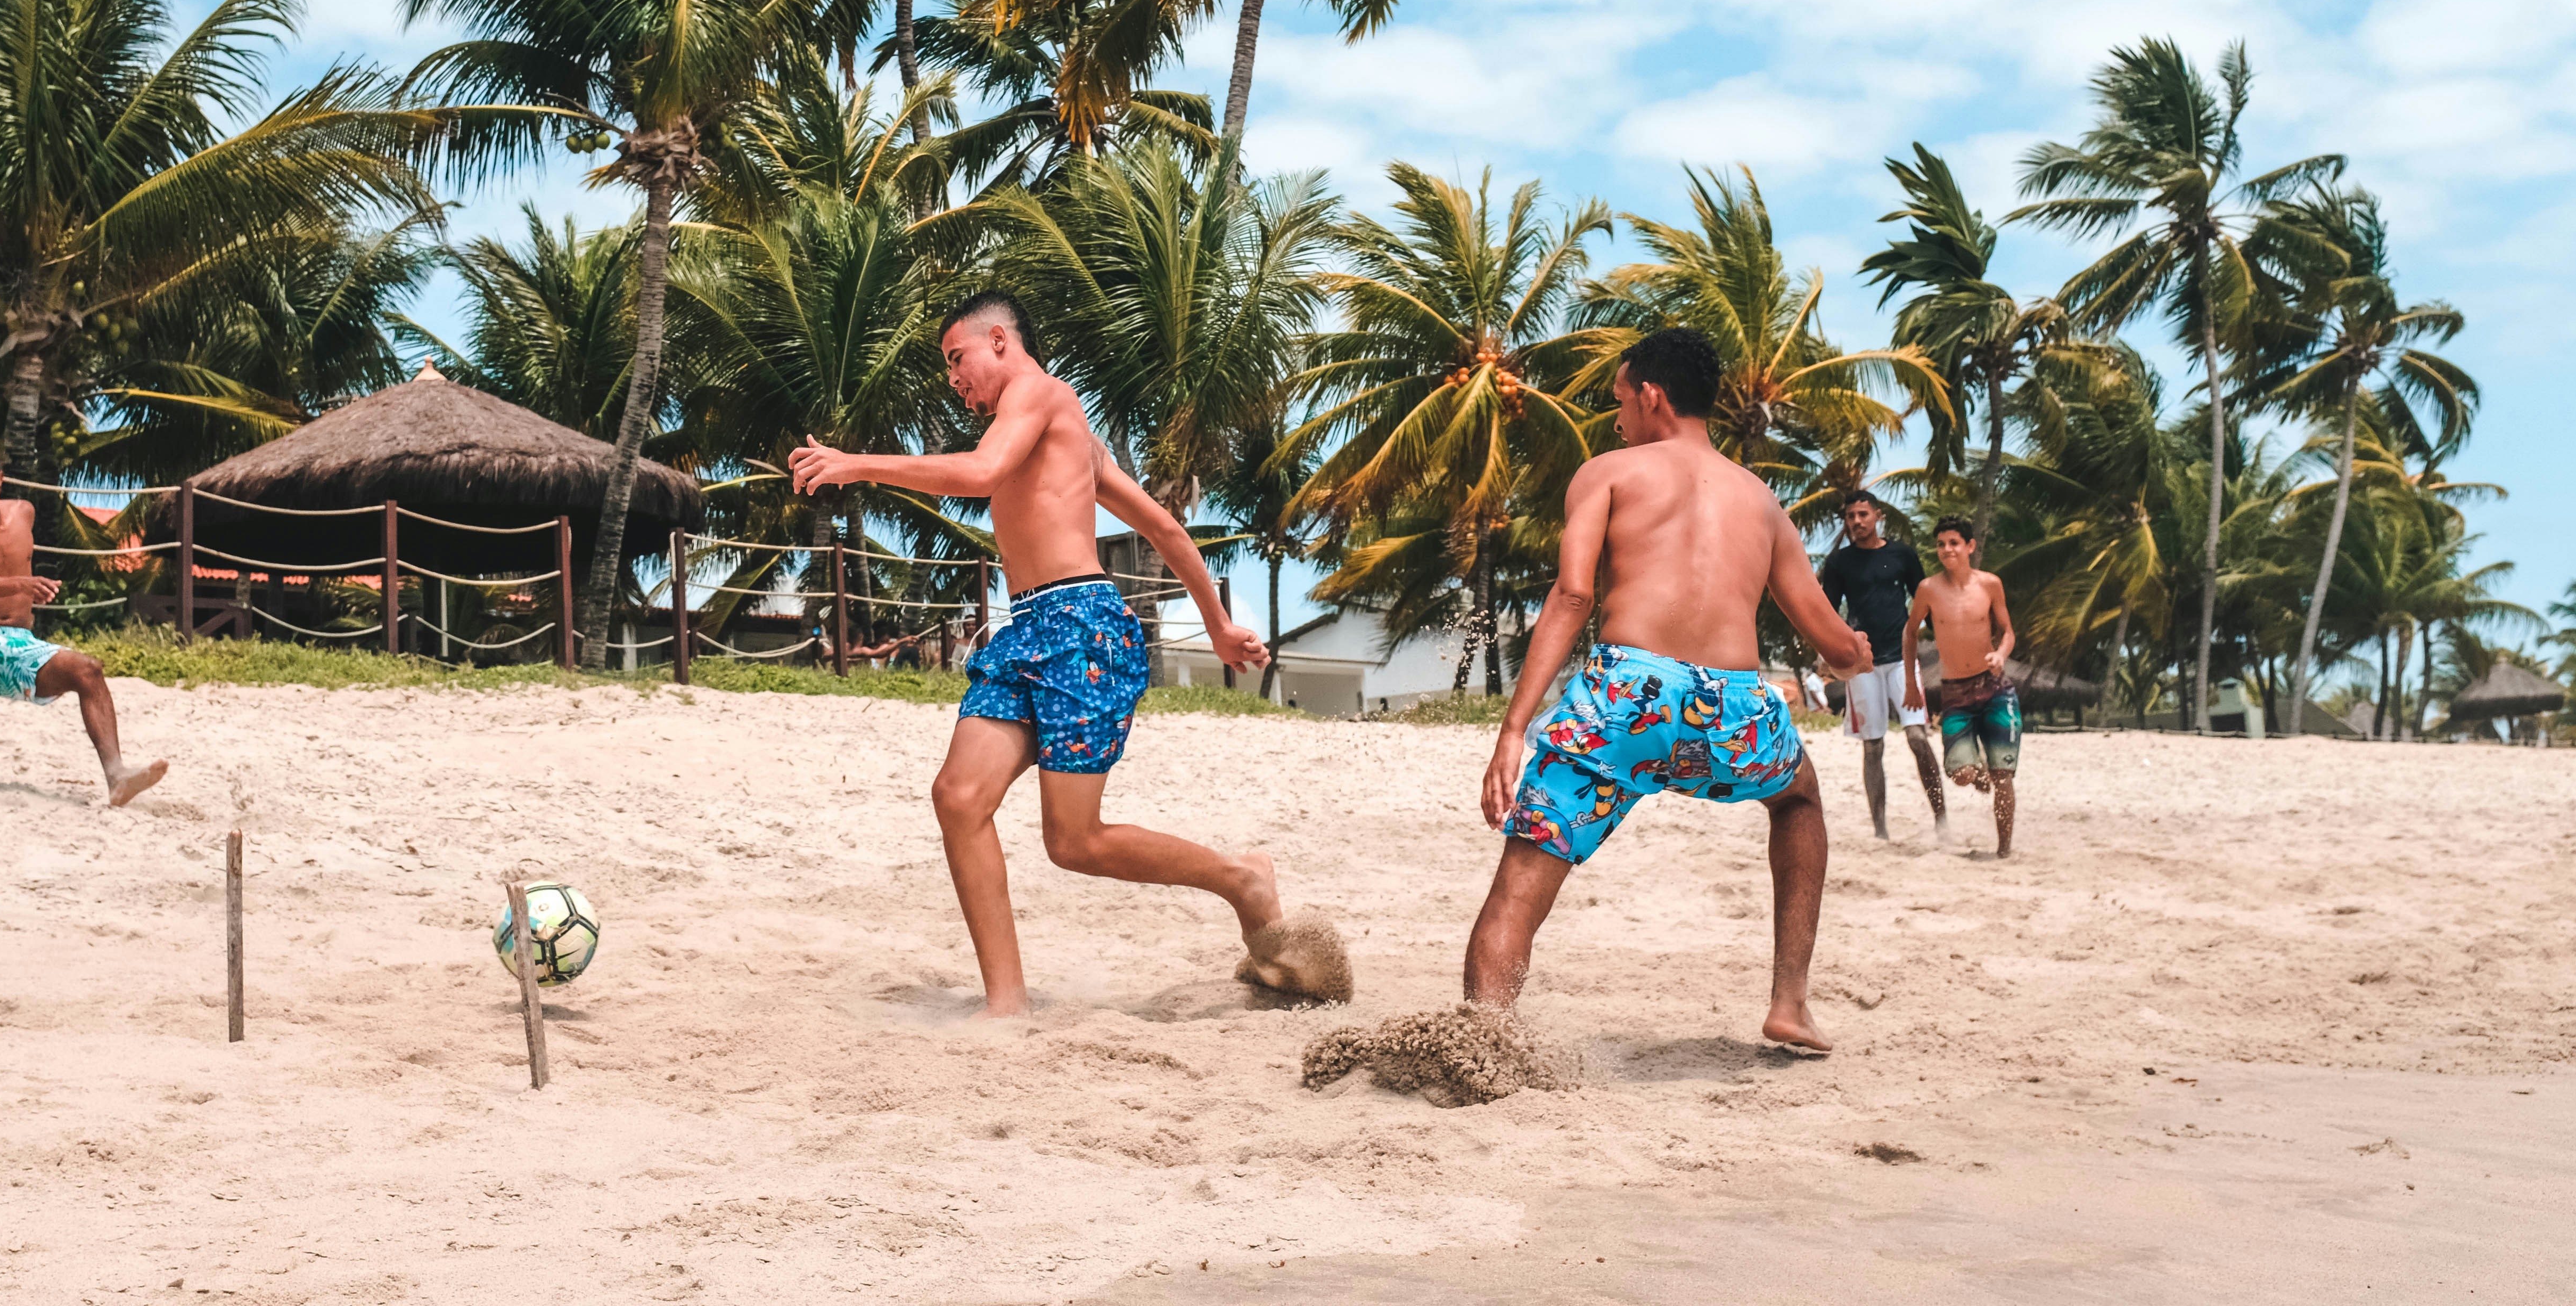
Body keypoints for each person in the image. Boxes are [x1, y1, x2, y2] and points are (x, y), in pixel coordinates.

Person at [789, 292, 1336, 1016]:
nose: (953, 378)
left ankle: (1243, 879)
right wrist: (1218, 626)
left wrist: (858, 465)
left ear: (999, 340)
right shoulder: (1064, 430)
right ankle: (1007, 1005)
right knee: (958, 798)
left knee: (1074, 842)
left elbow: (983, 474)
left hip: (1083, 630)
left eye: (958, 360)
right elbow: (1168, 531)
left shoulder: (1042, 394)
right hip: (1027, 633)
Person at [1464, 326, 1872, 1051]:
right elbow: (1836, 648)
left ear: (1652, 395)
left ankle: (1482, 1044)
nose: (1617, 418)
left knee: (1520, 886)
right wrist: (1857, 654)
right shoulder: (1764, 503)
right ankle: (1789, 1003)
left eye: (1619, 401)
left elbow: (1571, 596)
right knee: (1799, 797)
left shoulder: (1610, 473)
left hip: (1627, 696)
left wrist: (1514, 727)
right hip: (1734, 710)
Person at [0, 445, 167, 806]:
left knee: (89, 670)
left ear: (1, 476)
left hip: (23, 642)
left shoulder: (24, 512)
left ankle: (118, 776)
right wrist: (22, 584)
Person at [1822, 490, 1946, 843]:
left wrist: (1946, 639)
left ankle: (1942, 819)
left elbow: (1925, 604)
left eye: (1863, 514)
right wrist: (1827, 653)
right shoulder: (1839, 564)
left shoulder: (1902, 555)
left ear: (1878, 516)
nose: (1857, 522)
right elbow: (1828, 612)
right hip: (1863, 666)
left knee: (1918, 738)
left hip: (1903, 661)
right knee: (1873, 746)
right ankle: (1880, 831)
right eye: (1850, 517)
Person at [1908, 517, 2019, 857]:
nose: (1946, 550)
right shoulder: (1928, 589)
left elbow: (2009, 632)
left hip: (1995, 688)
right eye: (1941, 544)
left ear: (1970, 546)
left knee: (2004, 776)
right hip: (1955, 692)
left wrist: (2001, 654)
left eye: (1954, 543)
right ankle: (1979, 774)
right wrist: (1913, 684)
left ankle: (2004, 851)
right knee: (1961, 773)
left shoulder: (1990, 585)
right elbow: (1910, 632)